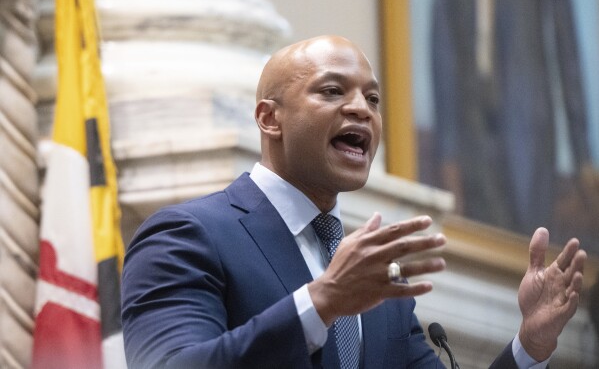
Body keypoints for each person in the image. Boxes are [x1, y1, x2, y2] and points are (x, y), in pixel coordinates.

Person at [121, 35, 587, 368]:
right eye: (331, 90)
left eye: (373, 98)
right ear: (269, 118)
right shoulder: (188, 235)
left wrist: (530, 345)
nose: (362, 108)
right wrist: (323, 300)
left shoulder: (377, 283)